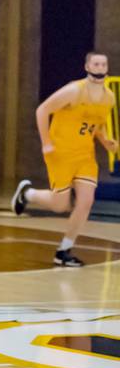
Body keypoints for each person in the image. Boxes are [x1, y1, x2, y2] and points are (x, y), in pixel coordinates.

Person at [12, 51, 116, 267]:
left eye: (103, 64)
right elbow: (42, 110)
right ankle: (27, 193)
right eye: (96, 64)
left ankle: (63, 250)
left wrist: (106, 141)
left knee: (86, 201)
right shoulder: (74, 91)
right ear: (87, 67)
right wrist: (46, 142)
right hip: (62, 151)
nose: (100, 68)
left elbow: (97, 124)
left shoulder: (109, 97)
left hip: (85, 154)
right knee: (60, 205)